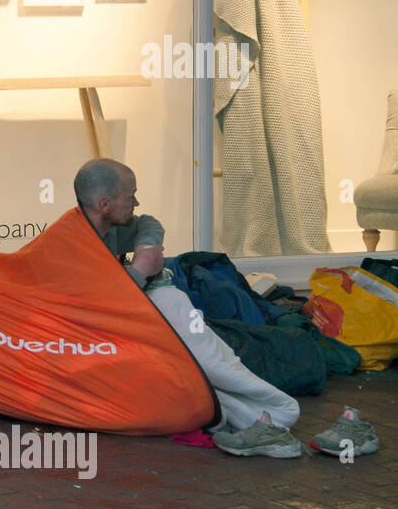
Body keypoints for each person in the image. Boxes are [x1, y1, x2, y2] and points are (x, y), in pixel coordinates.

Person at [72, 158, 374, 459]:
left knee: (211, 361)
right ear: (105, 204)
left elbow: (149, 223)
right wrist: (138, 275)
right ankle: (274, 417)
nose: (136, 201)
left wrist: (146, 250)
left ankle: (271, 420)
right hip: (128, 326)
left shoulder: (112, 227)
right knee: (201, 368)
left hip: (152, 313)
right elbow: (96, 305)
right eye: (130, 195)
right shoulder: (73, 246)